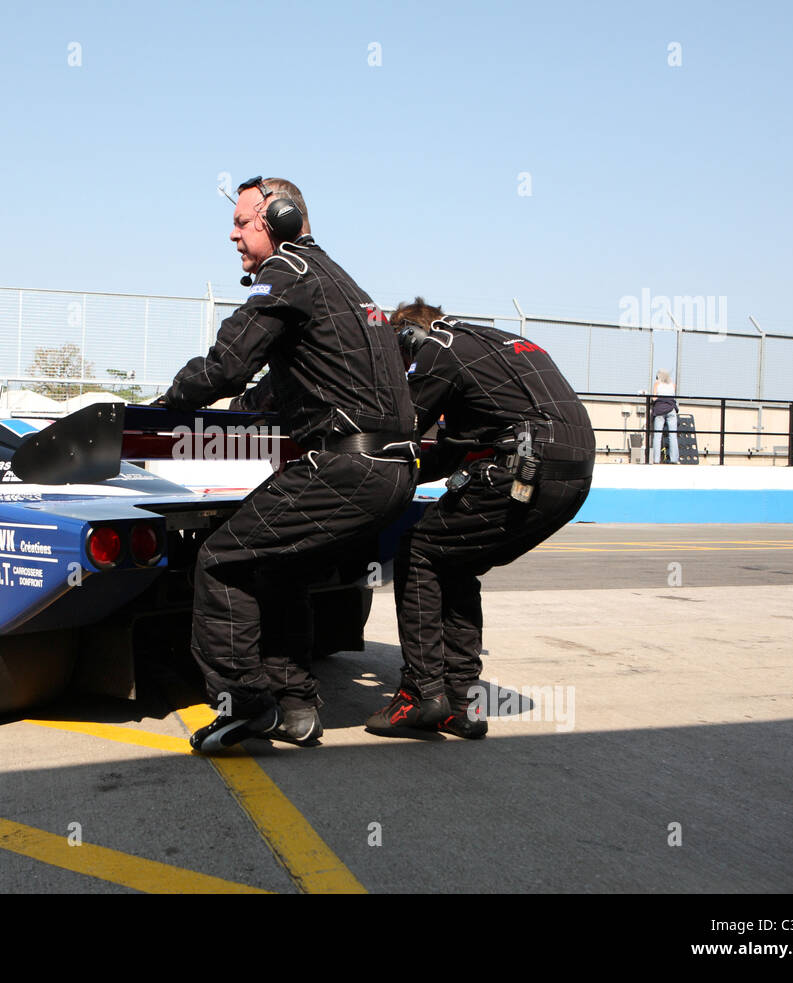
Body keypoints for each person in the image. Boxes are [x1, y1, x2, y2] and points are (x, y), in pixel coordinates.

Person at [163, 176, 417, 753]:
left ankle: (245, 707)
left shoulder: (288, 274)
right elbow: (285, 385)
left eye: (242, 221)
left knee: (221, 560)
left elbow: (226, 366)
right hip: (393, 467)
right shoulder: (344, 285)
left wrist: (162, 406)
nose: (232, 234)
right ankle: (297, 707)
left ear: (276, 218)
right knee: (278, 568)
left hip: (347, 464)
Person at [364, 300, 595, 740]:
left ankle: (420, 696)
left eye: (403, 357)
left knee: (418, 553)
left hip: (527, 467)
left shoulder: (440, 345)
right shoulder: (500, 346)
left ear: (409, 336)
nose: (407, 367)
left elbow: (402, 427)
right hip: (573, 477)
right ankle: (461, 703)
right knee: (454, 560)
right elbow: (447, 452)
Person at [651, 369, 679, 464]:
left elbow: (654, 398)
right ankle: (674, 459)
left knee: (658, 436)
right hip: (671, 409)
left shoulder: (657, 384)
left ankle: (656, 459)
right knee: (673, 435)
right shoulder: (672, 384)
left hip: (659, 410)